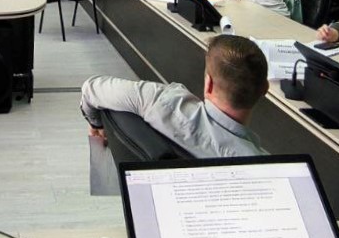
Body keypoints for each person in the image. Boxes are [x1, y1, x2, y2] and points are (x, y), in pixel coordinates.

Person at [80, 35, 270, 158]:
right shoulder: (262, 166)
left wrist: (97, 124)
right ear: (265, 89)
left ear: (209, 84)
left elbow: (91, 88)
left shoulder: (160, 101)